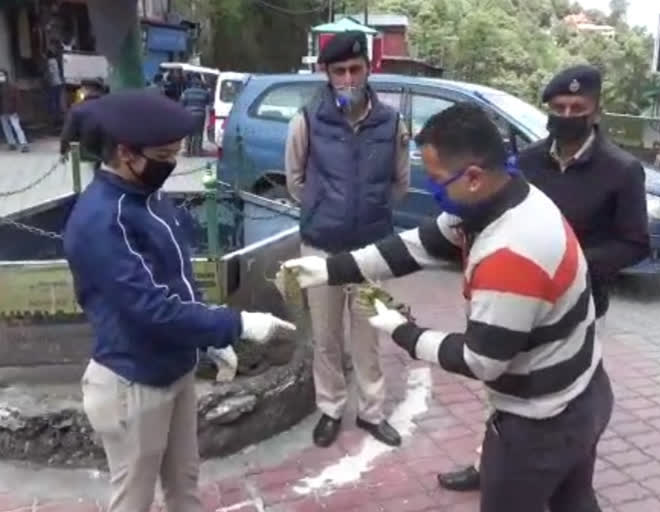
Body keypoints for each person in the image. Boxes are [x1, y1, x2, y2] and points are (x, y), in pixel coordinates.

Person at [283, 103, 614, 512]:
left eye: (439, 183)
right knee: (575, 502)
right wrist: (328, 269)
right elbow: (415, 246)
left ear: (473, 177)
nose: (434, 192)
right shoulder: (502, 197)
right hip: (583, 391)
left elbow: (482, 360)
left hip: (541, 424)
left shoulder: (512, 252)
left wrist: (402, 331)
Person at [63, 89, 295, 512]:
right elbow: (150, 308)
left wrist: (209, 338)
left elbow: (180, 281)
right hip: (133, 383)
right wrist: (238, 325)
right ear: (126, 152)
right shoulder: (101, 220)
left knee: (184, 485)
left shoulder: (148, 198)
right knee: (133, 499)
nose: (170, 164)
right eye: (164, 154)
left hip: (176, 371)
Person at [437, 65, 650, 494]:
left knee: (568, 394)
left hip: (579, 307)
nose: (567, 114)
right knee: (501, 385)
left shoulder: (621, 170)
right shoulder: (527, 161)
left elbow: (635, 244)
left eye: (578, 107)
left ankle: (569, 475)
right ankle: (492, 466)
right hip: (513, 299)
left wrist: (569, 264)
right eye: (559, 107)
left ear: (596, 112)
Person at [284, 30, 411, 448]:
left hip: (372, 251)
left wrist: (368, 212)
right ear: (327, 74)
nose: (349, 79)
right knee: (326, 338)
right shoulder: (307, 119)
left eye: (356, 69)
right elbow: (295, 182)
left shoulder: (390, 121)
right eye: (339, 71)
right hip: (320, 248)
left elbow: (400, 183)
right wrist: (327, 213)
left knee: (368, 334)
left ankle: (371, 412)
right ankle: (331, 408)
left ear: (369, 68)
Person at [0, 69, 29, 152]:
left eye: (2, 75)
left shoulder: (12, 87)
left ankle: (24, 144)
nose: (1, 77)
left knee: (17, 127)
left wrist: (17, 110)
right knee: (6, 128)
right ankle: (11, 143)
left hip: (12, 111)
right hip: (2, 111)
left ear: (6, 76)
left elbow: (17, 99)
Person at [180, 74, 211, 156]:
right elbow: (208, 102)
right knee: (199, 133)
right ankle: (198, 151)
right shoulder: (205, 92)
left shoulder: (186, 92)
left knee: (188, 133)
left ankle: (188, 151)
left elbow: (182, 103)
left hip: (188, 114)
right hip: (200, 114)